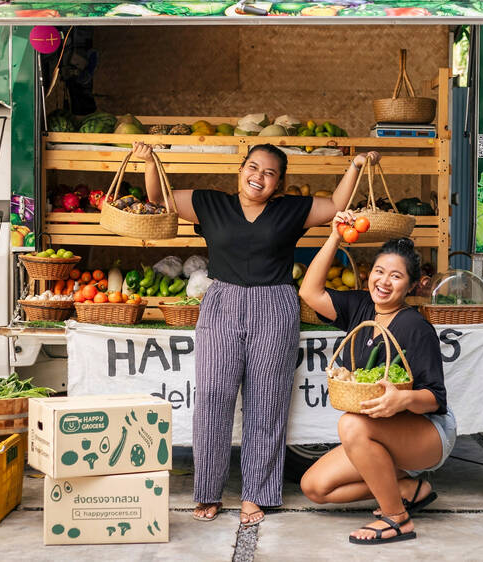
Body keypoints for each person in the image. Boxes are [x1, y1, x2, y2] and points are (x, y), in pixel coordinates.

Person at [132, 141, 380, 527]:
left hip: (275, 305)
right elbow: (157, 197)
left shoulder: (289, 211)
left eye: (269, 173)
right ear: (240, 169)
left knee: (268, 399)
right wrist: (149, 161)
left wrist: (356, 165)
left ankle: (256, 493)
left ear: (279, 183)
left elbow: (334, 206)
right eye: (253, 167)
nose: (258, 177)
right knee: (213, 396)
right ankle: (208, 492)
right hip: (221, 302)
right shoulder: (210, 203)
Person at [298, 211, 457, 545]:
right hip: (383, 432)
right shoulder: (360, 308)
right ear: (369, 274)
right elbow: (309, 292)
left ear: (412, 285)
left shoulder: (415, 327)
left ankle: (396, 518)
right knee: (314, 487)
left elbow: (436, 399)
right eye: (380, 272)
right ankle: (407, 488)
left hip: (428, 433)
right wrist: (335, 238)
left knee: (351, 424)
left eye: (396, 276)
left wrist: (403, 398)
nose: (384, 282)